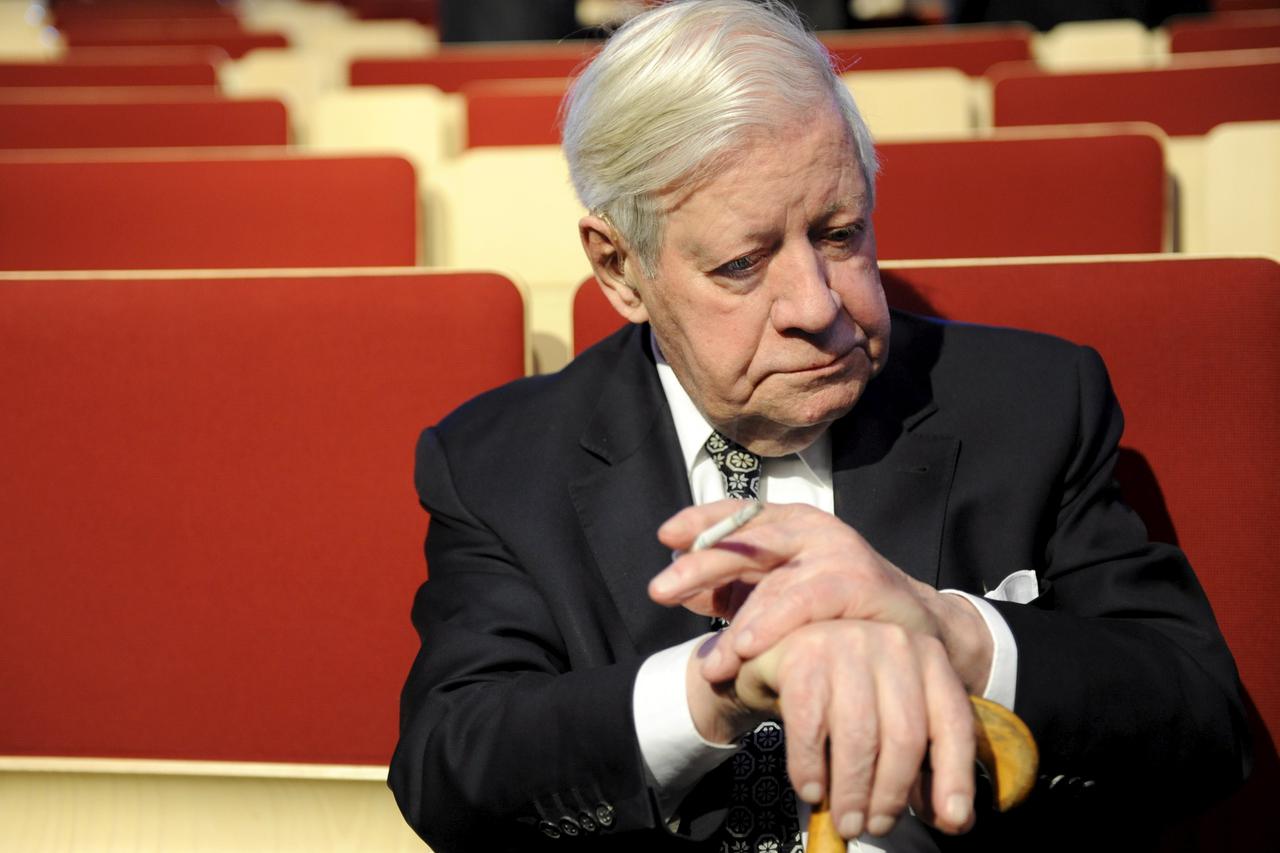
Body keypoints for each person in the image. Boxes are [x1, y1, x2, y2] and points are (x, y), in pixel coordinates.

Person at [388, 2, 1248, 850]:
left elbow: (1205, 724)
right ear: (619, 268)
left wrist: (946, 631)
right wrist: (715, 687)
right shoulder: (496, 462)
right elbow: (449, 771)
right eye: (742, 263)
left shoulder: (1035, 402)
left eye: (840, 233)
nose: (816, 304)